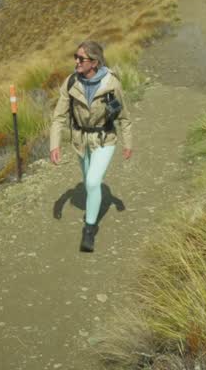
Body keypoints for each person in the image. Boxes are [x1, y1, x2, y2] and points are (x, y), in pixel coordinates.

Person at [49, 40, 133, 252]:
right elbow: (58, 117)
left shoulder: (112, 84)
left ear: (94, 62)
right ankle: (93, 208)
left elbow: (123, 116)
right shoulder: (70, 83)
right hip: (80, 140)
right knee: (88, 181)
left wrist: (127, 142)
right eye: (75, 57)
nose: (76, 61)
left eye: (81, 58)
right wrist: (54, 145)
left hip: (105, 139)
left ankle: (89, 229)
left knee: (94, 181)